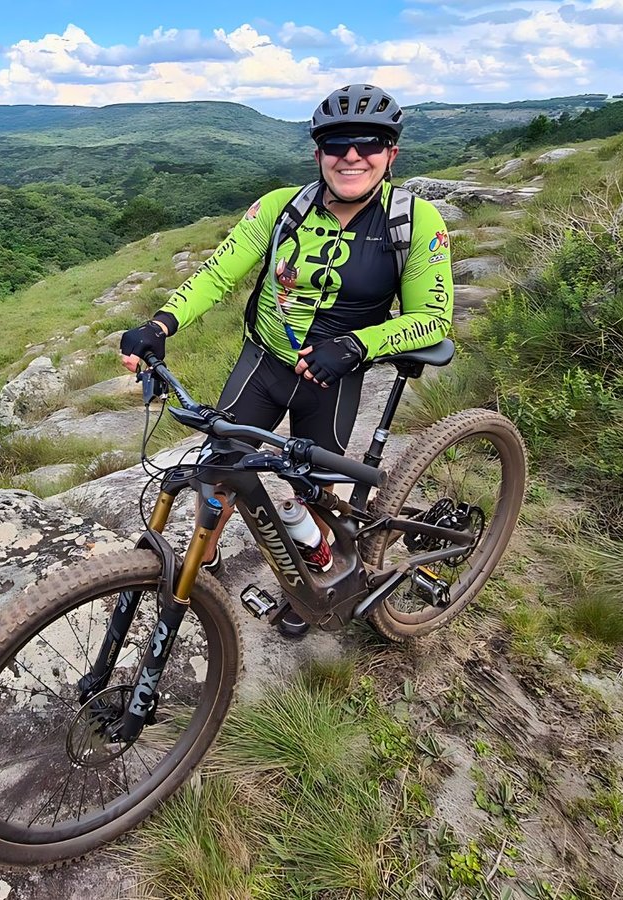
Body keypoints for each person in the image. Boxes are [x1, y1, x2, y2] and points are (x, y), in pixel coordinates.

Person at [119, 83, 454, 637]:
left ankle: (312, 585)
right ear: (317, 151)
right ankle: (204, 557)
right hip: (265, 362)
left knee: (315, 490)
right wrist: (160, 325)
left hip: (336, 378)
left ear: (391, 154)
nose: (351, 155)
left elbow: (433, 318)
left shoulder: (416, 224)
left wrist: (353, 346)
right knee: (220, 463)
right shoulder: (280, 209)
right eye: (336, 143)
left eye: (369, 143)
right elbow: (218, 273)